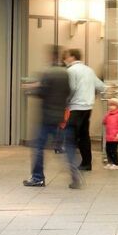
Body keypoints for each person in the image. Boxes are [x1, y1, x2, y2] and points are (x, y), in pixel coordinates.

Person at [23, 46, 79, 188]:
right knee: (67, 147)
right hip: (61, 117)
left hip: (47, 117)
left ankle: (37, 178)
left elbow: (42, 93)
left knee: (39, 147)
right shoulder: (65, 73)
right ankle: (75, 175)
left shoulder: (47, 73)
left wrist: (31, 88)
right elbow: (69, 92)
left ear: (51, 56)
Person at [64, 48, 106, 172]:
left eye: (67, 56)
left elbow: (71, 88)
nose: (65, 59)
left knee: (70, 135)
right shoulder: (89, 70)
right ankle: (86, 163)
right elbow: (100, 85)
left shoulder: (71, 70)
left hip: (76, 106)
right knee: (84, 136)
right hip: (88, 107)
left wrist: (66, 101)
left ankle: (72, 163)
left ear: (72, 57)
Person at [104, 98, 118, 169]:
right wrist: (106, 115)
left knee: (113, 151)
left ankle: (116, 163)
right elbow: (104, 122)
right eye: (110, 105)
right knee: (108, 150)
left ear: (117, 106)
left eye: (113, 105)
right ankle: (110, 162)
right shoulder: (108, 114)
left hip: (115, 137)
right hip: (108, 137)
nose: (111, 107)